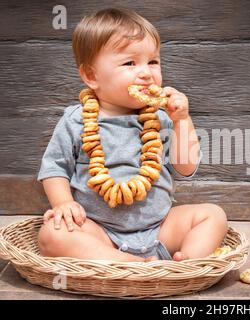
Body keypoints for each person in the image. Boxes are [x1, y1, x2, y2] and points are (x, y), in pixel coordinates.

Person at [37, 7, 228, 262]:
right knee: (53, 235)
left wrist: (182, 120)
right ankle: (132, 265)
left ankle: (185, 262)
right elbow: (54, 168)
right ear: (91, 75)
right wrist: (62, 203)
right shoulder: (77, 119)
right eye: (130, 63)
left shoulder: (161, 117)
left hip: (161, 229)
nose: (146, 73)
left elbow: (185, 167)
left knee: (214, 215)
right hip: (100, 233)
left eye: (153, 61)